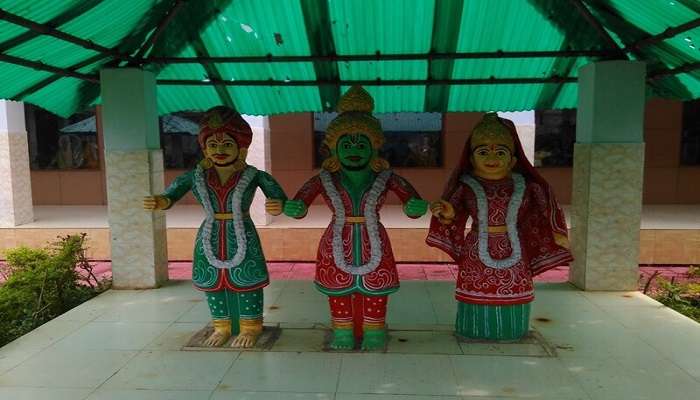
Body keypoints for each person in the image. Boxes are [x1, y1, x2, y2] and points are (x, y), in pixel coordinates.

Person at [284, 86, 429, 350]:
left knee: (375, 288)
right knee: (339, 290)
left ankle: (374, 333)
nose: (354, 149)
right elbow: (299, 204)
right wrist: (292, 208)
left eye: (361, 143)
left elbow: (412, 203)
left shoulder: (386, 178)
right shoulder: (324, 179)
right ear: (333, 149)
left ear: (374, 148)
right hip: (336, 239)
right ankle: (342, 333)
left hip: (374, 239)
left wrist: (416, 207)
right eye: (346, 144)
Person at [143, 106, 286, 348]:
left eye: (227, 144)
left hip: (243, 233)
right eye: (213, 145)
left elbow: (279, 196)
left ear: (241, 147)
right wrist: (162, 200)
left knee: (246, 280)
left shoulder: (253, 175)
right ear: (205, 148)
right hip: (209, 235)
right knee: (213, 282)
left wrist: (277, 204)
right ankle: (221, 326)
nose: (219, 150)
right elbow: (173, 192)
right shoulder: (196, 176)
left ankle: (251, 327)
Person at [427, 113, 573, 340]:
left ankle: (512, 331)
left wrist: (557, 232)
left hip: (514, 248)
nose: (491, 157)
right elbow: (451, 212)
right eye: (483, 152)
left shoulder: (527, 186)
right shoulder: (466, 185)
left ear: (513, 160)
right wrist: (446, 213)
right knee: (475, 292)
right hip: (477, 250)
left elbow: (547, 210)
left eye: (500, 152)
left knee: (516, 290)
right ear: (472, 159)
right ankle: (473, 331)